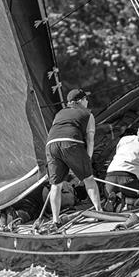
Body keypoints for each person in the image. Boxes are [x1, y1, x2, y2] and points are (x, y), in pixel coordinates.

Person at [45, 88, 101, 225]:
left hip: (51, 145)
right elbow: (90, 140)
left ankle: (55, 220)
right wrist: (87, 160)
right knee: (89, 179)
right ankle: (100, 212)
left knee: (55, 185)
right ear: (80, 101)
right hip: (71, 142)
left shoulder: (59, 113)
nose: (87, 101)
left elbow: (56, 132)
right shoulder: (88, 115)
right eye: (85, 99)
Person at [103, 122, 139, 211]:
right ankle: (130, 200)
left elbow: (118, 152)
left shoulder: (124, 139)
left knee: (138, 168)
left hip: (109, 179)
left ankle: (115, 198)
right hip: (128, 180)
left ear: (138, 130)